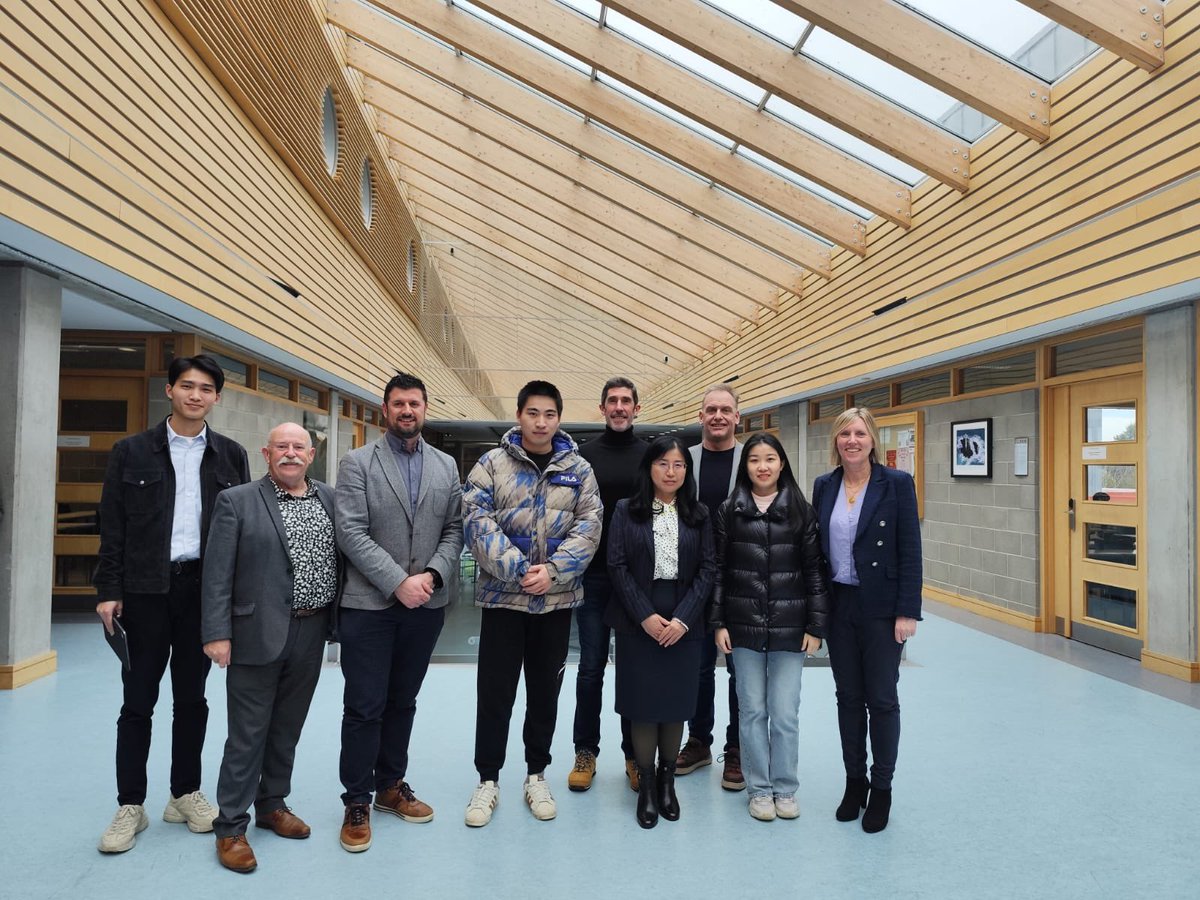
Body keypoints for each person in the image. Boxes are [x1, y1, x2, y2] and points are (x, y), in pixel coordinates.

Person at [94, 354, 251, 853]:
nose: (195, 395)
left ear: (217, 399)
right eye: (187, 386)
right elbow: (112, 526)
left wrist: (230, 603)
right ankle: (130, 805)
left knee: (193, 699)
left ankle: (184, 793)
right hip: (143, 593)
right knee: (138, 700)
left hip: (200, 593)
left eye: (206, 389)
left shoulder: (230, 455)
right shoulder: (131, 451)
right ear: (169, 391)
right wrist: (108, 591)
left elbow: (239, 533)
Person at [462, 380, 601, 827]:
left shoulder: (578, 469)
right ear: (519, 416)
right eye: (533, 413)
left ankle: (536, 773)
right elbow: (477, 523)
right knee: (495, 694)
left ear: (558, 419)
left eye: (549, 414)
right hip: (503, 602)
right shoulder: (490, 464)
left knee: (545, 693)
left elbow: (589, 526)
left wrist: (554, 571)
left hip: (555, 605)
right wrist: (520, 570)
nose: (541, 422)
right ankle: (488, 780)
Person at [333, 372, 463, 852]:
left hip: (425, 604)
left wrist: (431, 576)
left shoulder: (446, 466)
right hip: (369, 605)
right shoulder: (357, 463)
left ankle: (391, 786)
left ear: (425, 409)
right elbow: (351, 532)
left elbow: (455, 529)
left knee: (402, 701)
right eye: (398, 404)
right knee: (364, 706)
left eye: (415, 403)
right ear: (384, 411)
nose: (407, 411)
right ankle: (357, 800)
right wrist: (397, 582)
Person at [201, 423, 339, 872]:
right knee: (247, 734)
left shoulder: (330, 499)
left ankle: (272, 804)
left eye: (299, 447)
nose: (290, 454)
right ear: (266, 452)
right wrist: (216, 633)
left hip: (311, 631)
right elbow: (217, 573)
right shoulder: (237, 501)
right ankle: (231, 826)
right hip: (255, 633)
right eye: (282, 446)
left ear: (312, 454)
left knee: (287, 728)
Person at [812, 407, 922, 834]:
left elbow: (909, 549)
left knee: (882, 699)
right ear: (836, 442)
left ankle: (882, 788)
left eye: (859, 433)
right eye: (844, 434)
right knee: (847, 698)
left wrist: (907, 611)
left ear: (872, 439)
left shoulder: (896, 484)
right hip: (840, 605)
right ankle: (853, 782)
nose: (851, 441)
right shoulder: (826, 486)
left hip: (880, 607)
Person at [711, 433, 829, 822]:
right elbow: (719, 573)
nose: (763, 466)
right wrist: (719, 622)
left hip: (789, 628)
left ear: (782, 464)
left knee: (784, 713)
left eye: (770, 459)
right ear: (745, 467)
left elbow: (814, 572)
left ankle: (785, 788)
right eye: (754, 460)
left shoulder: (801, 510)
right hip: (742, 628)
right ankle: (759, 788)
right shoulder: (730, 510)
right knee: (751, 711)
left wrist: (815, 625)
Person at [607, 436, 715, 829]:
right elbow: (616, 566)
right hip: (640, 619)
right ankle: (648, 786)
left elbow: (707, 570)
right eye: (663, 464)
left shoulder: (699, 514)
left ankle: (668, 783)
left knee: (674, 706)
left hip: (685, 620)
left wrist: (683, 619)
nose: (671, 472)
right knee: (642, 706)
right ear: (649, 468)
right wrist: (645, 617)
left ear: (687, 472)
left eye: (679, 465)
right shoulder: (625, 511)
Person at [570, 376, 645, 793]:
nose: (619, 407)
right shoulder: (584, 457)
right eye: (612, 401)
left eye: (626, 401)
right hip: (594, 577)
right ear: (602, 409)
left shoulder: (651, 455)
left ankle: (634, 753)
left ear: (637, 409)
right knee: (591, 668)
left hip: (636, 580)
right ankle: (586, 750)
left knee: (633, 669)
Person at [677, 383, 744, 791]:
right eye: (710, 410)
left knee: (741, 668)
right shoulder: (685, 460)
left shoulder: (751, 459)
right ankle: (699, 740)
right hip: (696, 580)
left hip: (742, 581)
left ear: (738, 416)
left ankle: (736, 748)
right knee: (699, 667)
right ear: (700, 417)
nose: (717, 416)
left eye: (725, 410)